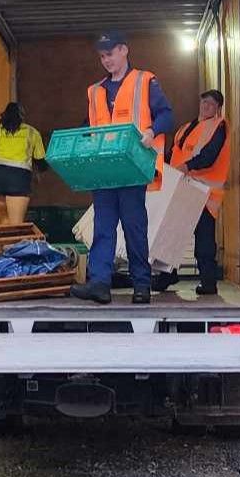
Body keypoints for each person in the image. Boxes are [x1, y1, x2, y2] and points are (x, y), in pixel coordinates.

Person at [69, 30, 173, 306]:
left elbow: (166, 114)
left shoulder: (144, 81)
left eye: (111, 53)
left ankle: (141, 285)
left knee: (133, 228)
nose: (106, 60)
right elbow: (89, 126)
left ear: (124, 50)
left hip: (130, 170)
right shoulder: (95, 91)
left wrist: (151, 131)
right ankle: (99, 284)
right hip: (105, 171)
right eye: (102, 56)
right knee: (103, 228)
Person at [164, 90, 231, 295]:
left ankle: (208, 283)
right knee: (171, 233)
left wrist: (187, 166)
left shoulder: (219, 125)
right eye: (203, 102)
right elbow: (173, 153)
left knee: (203, 239)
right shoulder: (186, 128)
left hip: (202, 191)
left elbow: (209, 155)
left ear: (218, 108)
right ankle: (167, 274)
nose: (206, 106)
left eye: (211, 104)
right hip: (181, 187)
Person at [0, 102, 48, 225]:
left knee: (5, 218)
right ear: (22, 116)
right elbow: (41, 162)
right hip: (18, 179)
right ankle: (11, 244)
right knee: (16, 224)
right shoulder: (32, 133)